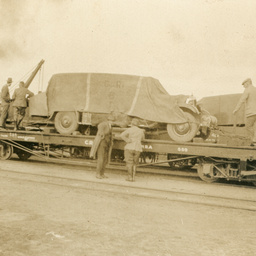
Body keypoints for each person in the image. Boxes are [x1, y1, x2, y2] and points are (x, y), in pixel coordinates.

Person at [233, 78, 256, 146]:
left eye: (244, 84)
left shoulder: (247, 90)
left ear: (248, 83)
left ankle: (253, 141)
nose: (244, 86)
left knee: (248, 127)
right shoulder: (255, 89)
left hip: (251, 112)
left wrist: (236, 109)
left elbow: (241, 100)